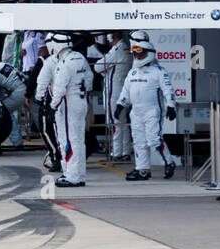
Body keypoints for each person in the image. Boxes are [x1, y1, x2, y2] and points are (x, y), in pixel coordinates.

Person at [115, 30, 178, 181]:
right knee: (139, 142)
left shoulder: (158, 71)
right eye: (136, 54)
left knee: (154, 139)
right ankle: (142, 170)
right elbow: (125, 91)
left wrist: (171, 105)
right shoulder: (132, 73)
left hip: (152, 111)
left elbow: (168, 89)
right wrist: (119, 105)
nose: (137, 57)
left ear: (149, 53)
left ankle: (169, 162)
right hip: (136, 112)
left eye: (141, 54)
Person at [48, 33, 93, 187]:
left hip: (69, 102)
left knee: (68, 139)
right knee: (79, 140)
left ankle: (71, 175)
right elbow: (90, 79)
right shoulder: (80, 57)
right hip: (81, 100)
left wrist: (53, 106)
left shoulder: (64, 62)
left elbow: (59, 87)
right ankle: (79, 175)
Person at [95, 30, 133, 160]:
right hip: (123, 87)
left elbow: (98, 67)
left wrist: (106, 70)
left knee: (114, 120)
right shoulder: (126, 48)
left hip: (114, 88)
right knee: (123, 121)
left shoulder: (116, 50)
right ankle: (125, 151)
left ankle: (117, 152)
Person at [29, 45, 61, 172]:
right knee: (64, 132)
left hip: (50, 101)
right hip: (66, 101)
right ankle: (68, 159)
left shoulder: (47, 61)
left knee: (46, 130)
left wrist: (38, 98)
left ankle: (56, 158)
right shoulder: (75, 58)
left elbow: (40, 81)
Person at [0, 60, 29, 149]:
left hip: (20, 91)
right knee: (38, 117)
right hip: (28, 84)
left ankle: (17, 143)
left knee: (4, 112)